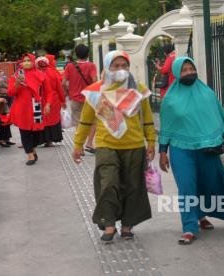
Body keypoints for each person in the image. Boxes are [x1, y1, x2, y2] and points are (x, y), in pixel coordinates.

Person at [72, 50, 156, 243]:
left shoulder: (139, 90)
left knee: (133, 186)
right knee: (108, 184)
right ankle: (108, 224)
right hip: (105, 144)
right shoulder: (95, 92)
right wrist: (78, 144)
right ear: (107, 67)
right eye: (115, 65)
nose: (120, 69)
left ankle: (127, 225)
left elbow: (147, 119)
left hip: (134, 145)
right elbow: (85, 121)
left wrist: (150, 141)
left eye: (124, 65)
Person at [159, 57, 224, 245]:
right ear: (177, 73)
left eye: (191, 69)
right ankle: (189, 227)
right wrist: (163, 152)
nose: (188, 73)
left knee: (207, 183)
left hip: (207, 148)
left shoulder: (207, 94)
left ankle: (201, 215)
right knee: (186, 186)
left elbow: (217, 121)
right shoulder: (169, 99)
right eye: (184, 70)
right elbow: (167, 127)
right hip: (180, 149)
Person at [8, 54, 53, 165]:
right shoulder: (16, 75)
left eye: (29, 60)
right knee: (24, 132)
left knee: (37, 132)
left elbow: (49, 92)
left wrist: (48, 104)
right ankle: (30, 156)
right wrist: (17, 84)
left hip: (36, 106)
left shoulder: (41, 75)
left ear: (33, 62)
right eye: (24, 60)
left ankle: (32, 149)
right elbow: (10, 92)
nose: (26, 62)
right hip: (22, 108)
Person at [63, 44, 97, 153]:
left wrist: (68, 92)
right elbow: (95, 80)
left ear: (76, 54)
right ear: (88, 54)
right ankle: (90, 143)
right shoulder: (91, 66)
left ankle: (80, 147)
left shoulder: (69, 66)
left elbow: (63, 82)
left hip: (75, 99)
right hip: (89, 99)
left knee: (78, 122)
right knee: (93, 121)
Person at [36, 56, 65, 146]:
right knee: (53, 119)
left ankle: (42, 140)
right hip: (54, 100)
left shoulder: (36, 74)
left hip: (40, 100)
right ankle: (50, 140)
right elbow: (59, 88)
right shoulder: (53, 73)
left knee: (43, 120)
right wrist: (62, 100)